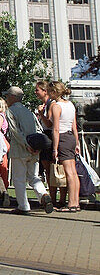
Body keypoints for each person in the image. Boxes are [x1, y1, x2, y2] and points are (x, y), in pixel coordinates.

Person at [3, 85, 52, 215]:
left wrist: (26, 144)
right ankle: (43, 194)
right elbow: (38, 129)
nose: (6, 98)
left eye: (7, 96)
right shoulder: (28, 111)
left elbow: (15, 131)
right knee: (33, 176)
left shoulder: (11, 111)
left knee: (19, 178)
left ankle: (23, 206)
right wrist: (37, 147)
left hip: (20, 149)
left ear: (13, 97)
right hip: (35, 150)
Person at [48, 81, 81, 213]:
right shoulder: (70, 105)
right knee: (73, 172)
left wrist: (55, 149)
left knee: (69, 172)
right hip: (70, 138)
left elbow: (55, 129)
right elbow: (74, 127)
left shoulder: (56, 106)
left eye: (50, 91)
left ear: (54, 92)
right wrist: (77, 142)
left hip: (62, 138)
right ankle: (75, 202)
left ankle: (72, 204)